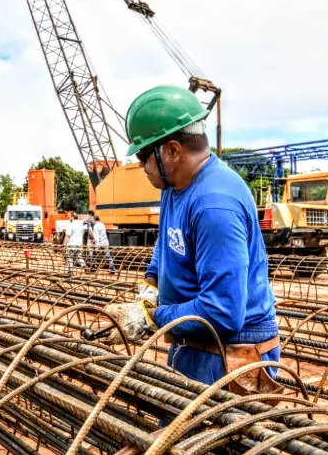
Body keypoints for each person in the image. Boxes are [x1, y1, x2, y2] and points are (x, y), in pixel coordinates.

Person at [100, 85, 281, 397]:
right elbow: (167, 240)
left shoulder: (215, 205)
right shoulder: (173, 185)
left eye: (144, 156)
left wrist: (152, 317)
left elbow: (222, 312)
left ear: (172, 150)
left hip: (229, 353)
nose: (141, 166)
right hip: (193, 341)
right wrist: (152, 285)